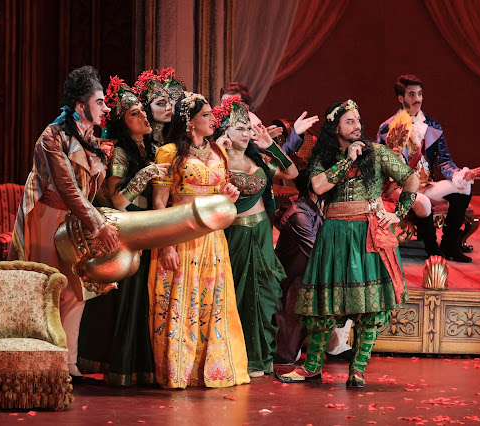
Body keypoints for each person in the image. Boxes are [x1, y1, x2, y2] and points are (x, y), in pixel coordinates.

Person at [277, 100, 419, 387]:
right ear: (335, 127)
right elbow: (318, 186)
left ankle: (358, 369)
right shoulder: (324, 157)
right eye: (349, 121)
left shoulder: (376, 152)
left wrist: (399, 213)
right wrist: (347, 160)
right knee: (323, 305)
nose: (357, 126)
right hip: (334, 235)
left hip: (368, 235)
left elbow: (411, 178)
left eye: (358, 120)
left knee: (370, 307)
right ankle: (312, 366)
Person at [10, 66, 119, 385]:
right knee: (49, 289)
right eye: (99, 102)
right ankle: (42, 365)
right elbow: (67, 188)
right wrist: (97, 224)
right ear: (81, 106)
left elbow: (89, 188)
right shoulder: (53, 136)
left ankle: (68, 365)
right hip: (49, 218)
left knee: (76, 291)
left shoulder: (90, 137)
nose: (105, 108)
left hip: (76, 220)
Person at [148, 91, 250, 388]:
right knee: (181, 301)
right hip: (180, 234)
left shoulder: (218, 152)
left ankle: (212, 369)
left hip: (212, 239)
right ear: (190, 122)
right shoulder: (169, 153)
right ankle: (179, 369)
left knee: (211, 302)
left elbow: (222, 194)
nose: (212, 119)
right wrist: (166, 244)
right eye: (206, 115)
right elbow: (160, 202)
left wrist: (229, 196)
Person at [77, 77, 168, 386]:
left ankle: (145, 367)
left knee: (146, 299)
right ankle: (124, 367)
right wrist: (146, 174)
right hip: (132, 227)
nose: (143, 117)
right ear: (122, 124)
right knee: (131, 298)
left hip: (151, 225)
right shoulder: (119, 153)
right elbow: (117, 199)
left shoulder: (153, 147)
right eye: (134, 114)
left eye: (142, 111)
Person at [212, 96, 297, 377]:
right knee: (236, 294)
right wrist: (217, 150)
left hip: (261, 232)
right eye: (240, 128)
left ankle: (259, 358)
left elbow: (292, 172)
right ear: (224, 130)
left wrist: (270, 145)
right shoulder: (216, 160)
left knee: (263, 296)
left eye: (249, 128)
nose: (247, 133)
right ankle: (236, 357)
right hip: (234, 233)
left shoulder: (257, 158)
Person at [377, 75, 480, 262]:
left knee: (464, 186)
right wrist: (392, 159)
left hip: (425, 184)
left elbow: (444, 161)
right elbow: (378, 167)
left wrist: (461, 174)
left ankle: (450, 244)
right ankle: (432, 249)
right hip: (399, 187)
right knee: (423, 202)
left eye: (420, 94)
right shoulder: (387, 128)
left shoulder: (433, 126)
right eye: (412, 95)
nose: (417, 99)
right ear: (401, 98)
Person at [273, 175, 351, 366]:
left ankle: (334, 345)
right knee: (286, 357)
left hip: (309, 277)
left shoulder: (316, 209)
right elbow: (317, 255)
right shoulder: (299, 215)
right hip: (292, 287)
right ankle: (325, 344)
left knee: (353, 284)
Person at [219, 81, 319, 156]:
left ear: (245, 108)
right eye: (223, 102)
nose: (226, 107)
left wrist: (295, 134)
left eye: (232, 104)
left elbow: (281, 159)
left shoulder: (254, 127)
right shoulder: (214, 125)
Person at [133, 69, 173, 156]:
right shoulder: (141, 143)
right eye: (161, 104)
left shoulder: (174, 137)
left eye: (169, 102)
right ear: (146, 108)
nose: (169, 108)